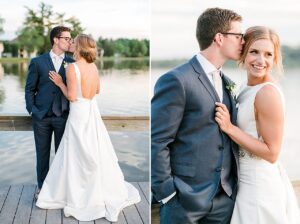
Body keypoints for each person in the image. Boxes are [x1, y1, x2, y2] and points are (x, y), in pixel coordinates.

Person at [151, 8, 244, 224]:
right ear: (219, 38)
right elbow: (158, 141)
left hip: (223, 201)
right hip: (183, 202)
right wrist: (167, 193)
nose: (242, 41)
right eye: (238, 35)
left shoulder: (227, 81)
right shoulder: (177, 80)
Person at [35, 34, 140, 222]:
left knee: (76, 153)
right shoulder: (93, 67)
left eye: (73, 41)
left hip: (78, 114)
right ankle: (92, 189)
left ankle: (77, 192)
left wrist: (60, 83)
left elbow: (72, 96)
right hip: (92, 112)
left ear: (79, 47)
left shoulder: (72, 68)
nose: (71, 43)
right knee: (93, 151)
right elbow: (97, 90)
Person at [215, 26, 300, 223]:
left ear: (275, 59)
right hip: (243, 182)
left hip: (259, 186)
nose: (261, 61)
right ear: (243, 53)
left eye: (268, 54)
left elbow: (272, 153)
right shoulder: (247, 88)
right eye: (254, 52)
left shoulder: (267, 93)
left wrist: (229, 128)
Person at [25, 26, 74, 196]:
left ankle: (60, 189)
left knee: (63, 156)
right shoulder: (37, 62)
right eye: (66, 38)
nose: (70, 41)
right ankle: (43, 189)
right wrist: (32, 110)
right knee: (42, 155)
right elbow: (29, 89)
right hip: (41, 116)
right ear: (56, 39)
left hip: (63, 116)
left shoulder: (73, 63)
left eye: (70, 38)